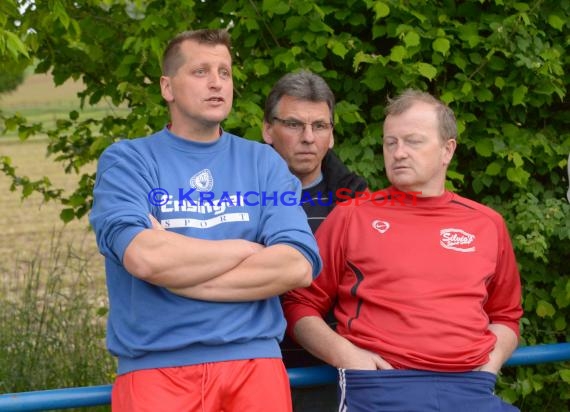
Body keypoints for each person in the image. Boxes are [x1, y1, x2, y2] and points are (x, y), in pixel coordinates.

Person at [89, 29, 322, 412]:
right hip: (157, 368)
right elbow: (145, 259)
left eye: (225, 72)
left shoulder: (263, 163)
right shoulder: (128, 161)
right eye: (200, 72)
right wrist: (247, 249)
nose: (217, 83)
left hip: (255, 365)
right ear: (167, 87)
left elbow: (296, 266)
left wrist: (176, 270)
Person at [283, 89, 523, 412]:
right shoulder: (352, 216)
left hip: (471, 387)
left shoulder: (487, 223)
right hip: (381, 386)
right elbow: (298, 304)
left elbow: (506, 315)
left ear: (447, 150)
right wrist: (349, 358)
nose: (398, 153)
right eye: (390, 142)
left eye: (413, 141)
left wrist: (491, 364)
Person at [263, 70, 368, 411]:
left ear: (332, 135)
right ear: (268, 130)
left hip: (333, 373)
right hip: (256, 367)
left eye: (319, 126)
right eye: (293, 124)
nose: (308, 137)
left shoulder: (356, 202)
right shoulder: (237, 197)